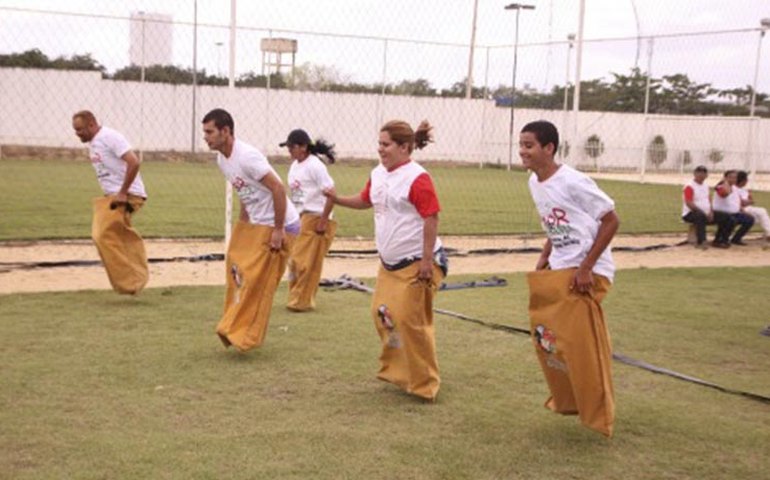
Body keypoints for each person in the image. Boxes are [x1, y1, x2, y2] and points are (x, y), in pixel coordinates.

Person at [324, 119, 446, 402]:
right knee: (383, 314)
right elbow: (366, 199)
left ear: (404, 147)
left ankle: (425, 384)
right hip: (389, 266)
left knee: (410, 321)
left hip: (417, 262)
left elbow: (431, 217)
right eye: (379, 143)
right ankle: (401, 371)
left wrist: (427, 261)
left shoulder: (417, 178)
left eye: (386, 144)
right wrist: (337, 199)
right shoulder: (378, 173)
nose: (380, 149)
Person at [520, 120, 620, 437]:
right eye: (521, 145)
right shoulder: (534, 182)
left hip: (587, 273)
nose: (522, 151)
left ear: (549, 148)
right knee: (548, 338)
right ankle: (569, 400)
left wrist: (587, 267)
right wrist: (545, 256)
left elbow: (611, 221)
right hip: (561, 269)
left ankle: (599, 415)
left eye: (529, 145)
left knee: (581, 347)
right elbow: (555, 224)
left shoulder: (574, 182)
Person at [202, 108, 300, 352]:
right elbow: (244, 192)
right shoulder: (222, 160)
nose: (205, 137)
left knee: (258, 284)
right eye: (205, 132)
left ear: (226, 131)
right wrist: (243, 226)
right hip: (257, 225)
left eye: (210, 132)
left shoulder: (247, 157)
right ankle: (233, 327)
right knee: (239, 274)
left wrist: (278, 230)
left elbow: (278, 188)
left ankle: (245, 336)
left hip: (281, 225)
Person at [71, 110, 149, 295]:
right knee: (109, 236)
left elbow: (134, 162)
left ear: (92, 124)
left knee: (101, 235)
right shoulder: (94, 143)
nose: (77, 134)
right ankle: (132, 280)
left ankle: (133, 281)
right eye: (75, 130)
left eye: (80, 129)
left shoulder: (109, 137)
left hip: (127, 195)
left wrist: (122, 192)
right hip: (112, 196)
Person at [281, 129, 338, 312]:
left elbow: (331, 193)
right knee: (294, 261)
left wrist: (323, 220)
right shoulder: (295, 166)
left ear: (303, 147)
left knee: (306, 262)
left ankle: (303, 301)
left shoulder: (315, 166)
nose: (289, 151)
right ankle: (295, 297)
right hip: (301, 217)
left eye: (292, 147)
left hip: (315, 217)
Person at [681, 165, 734, 249]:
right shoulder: (689, 186)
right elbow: (689, 202)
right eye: (699, 173)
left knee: (728, 218)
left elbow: (708, 200)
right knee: (700, 216)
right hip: (690, 213)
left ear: (706, 175)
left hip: (706, 212)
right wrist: (702, 212)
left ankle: (720, 240)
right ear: (694, 174)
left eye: (703, 173)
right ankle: (701, 241)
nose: (701, 175)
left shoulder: (705, 186)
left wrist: (711, 211)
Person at [713, 170, 754, 246]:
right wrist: (725, 182)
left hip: (734, 213)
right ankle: (719, 240)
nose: (733, 179)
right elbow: (725, 194)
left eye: (735, 178)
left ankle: (736, 239)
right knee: (731, 220)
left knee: (749, 219)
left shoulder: (735, 188)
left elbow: (738, 202)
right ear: (725, 178)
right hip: (721, 213)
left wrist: (743, 210)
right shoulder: (719, 187)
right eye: (730, 177)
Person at [736, 170, 770, 241]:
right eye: (746, 180)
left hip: (747, 208)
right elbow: (739, 202)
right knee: (762, 211)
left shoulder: (744, 190)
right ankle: (768, 234)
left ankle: (767, 234)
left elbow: (751, 201)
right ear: (743, 181)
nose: (747, 181)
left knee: (761, 217)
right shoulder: (734, 189)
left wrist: (747, 201)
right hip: (740, 209)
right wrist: (746, 202)